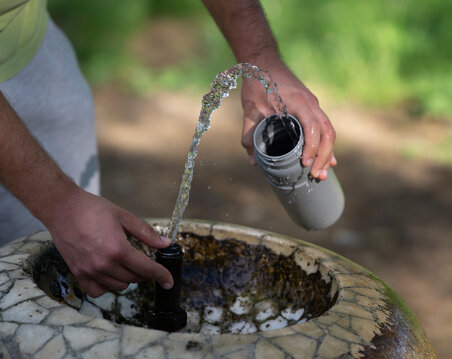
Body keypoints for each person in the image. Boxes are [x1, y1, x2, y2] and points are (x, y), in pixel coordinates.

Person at [0, 0, 337, 297]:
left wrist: (261, 58)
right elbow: (62, 209)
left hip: (25, 45)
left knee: (57, 272)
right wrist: (59, 203)